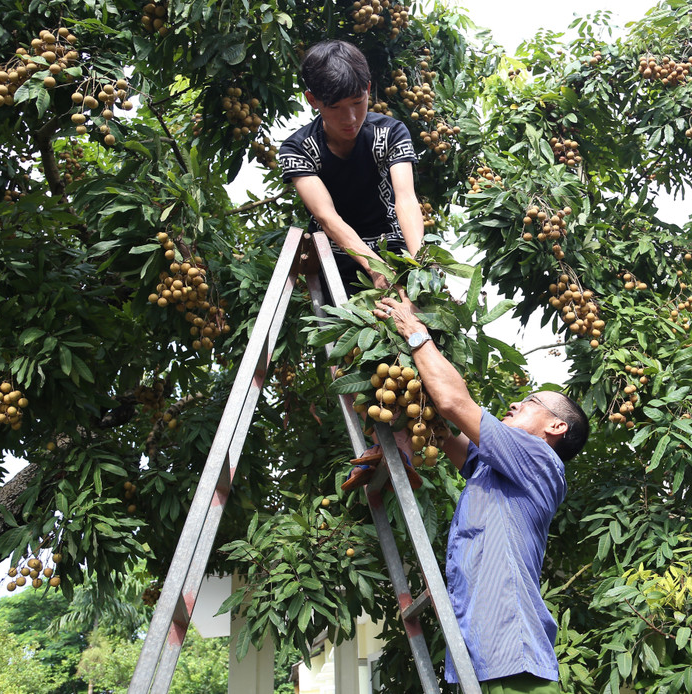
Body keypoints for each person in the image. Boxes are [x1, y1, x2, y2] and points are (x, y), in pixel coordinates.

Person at [367, 289, 590, 694]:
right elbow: (441, 431)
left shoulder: (540, 460)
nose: (514, 405)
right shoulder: (495, 465)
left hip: (514, 658)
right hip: (481, 656)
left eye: (530, 402)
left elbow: (454, 402)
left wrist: (416, 333)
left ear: (555, 427)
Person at [278, 40, 424, 296]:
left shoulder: (391, 132)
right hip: (336, 260)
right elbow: (326, 217)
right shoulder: (298, 149)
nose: (350, 118)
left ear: (368, 89)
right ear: (312, 100)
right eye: (335, 108)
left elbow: (406, 199)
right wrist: (374, 267)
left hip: (394, 249)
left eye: (358, 102)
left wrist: (421, 262)